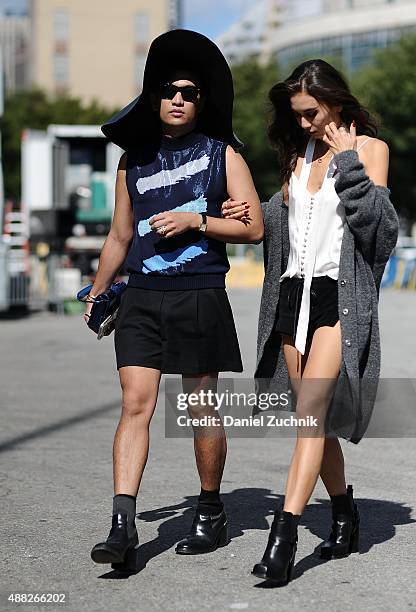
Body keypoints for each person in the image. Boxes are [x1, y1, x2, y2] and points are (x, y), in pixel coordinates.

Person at [84, 29, 263, 572]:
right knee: (135, 405)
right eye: (169, 90)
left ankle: (210, 511)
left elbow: (253, 226)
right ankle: (122, 524)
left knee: (199, 408)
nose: (179, 98)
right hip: (140, 297)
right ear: (154, 97)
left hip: (200, 294)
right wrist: (96, 293)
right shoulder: (131, 161)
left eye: (189, 91)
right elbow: (119, 236)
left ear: (201, 100)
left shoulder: (222, 154)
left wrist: (197, 221)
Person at [222, 59, 399, 584]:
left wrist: (349, 164)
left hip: (338, 299)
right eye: (296, 115)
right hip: (291, 296)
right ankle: (344, 508)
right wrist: (245, 214)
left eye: (310, 113)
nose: (304, 124)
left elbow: (379, 233)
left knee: (311, 416)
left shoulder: (370, 151)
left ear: (335, 103)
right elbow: (285, 224)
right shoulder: (297, 154)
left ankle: (286, 533)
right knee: (312, 422)